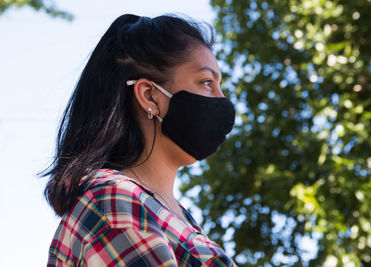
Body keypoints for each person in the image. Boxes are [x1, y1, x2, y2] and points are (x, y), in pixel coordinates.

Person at [43, 13, 236, 266]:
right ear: (150, 96)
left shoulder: (176, 218)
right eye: (207, 82)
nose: (222, 100)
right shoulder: (113, 202)